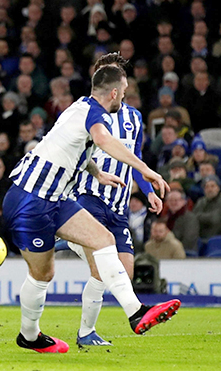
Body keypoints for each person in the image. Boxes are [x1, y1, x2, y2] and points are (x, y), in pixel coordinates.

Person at [3, 64, 179, 354]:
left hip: (55, 198)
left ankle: (136, 312)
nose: (123, 97)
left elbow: (71, 148)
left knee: (104, 240)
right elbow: (101, 140)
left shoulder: (78, 108)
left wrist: (97, 173)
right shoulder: (96, 115)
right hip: (29, 200)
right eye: (122, 92)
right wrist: (145, 169)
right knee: (42, 274)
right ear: (113, 92)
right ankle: (29, 335)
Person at [64, 53, 165, 346]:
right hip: (89, 196)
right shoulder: (84, 111)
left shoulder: (133, 117)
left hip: (118, 206)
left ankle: (88, 331)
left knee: (124, 271)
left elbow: (136, 159)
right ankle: (88, 333)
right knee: (101, 267)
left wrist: (148, 192)